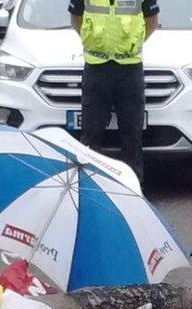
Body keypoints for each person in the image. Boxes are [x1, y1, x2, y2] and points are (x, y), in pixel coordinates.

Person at [69, 0, 159, 183]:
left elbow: (152, 21)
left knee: (132, 135)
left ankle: (133, 189)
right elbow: (76, 18)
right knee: (90, 136)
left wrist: (133, 45)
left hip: (129, 68)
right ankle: (88, 187)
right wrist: (94, 43)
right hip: (96, 68)